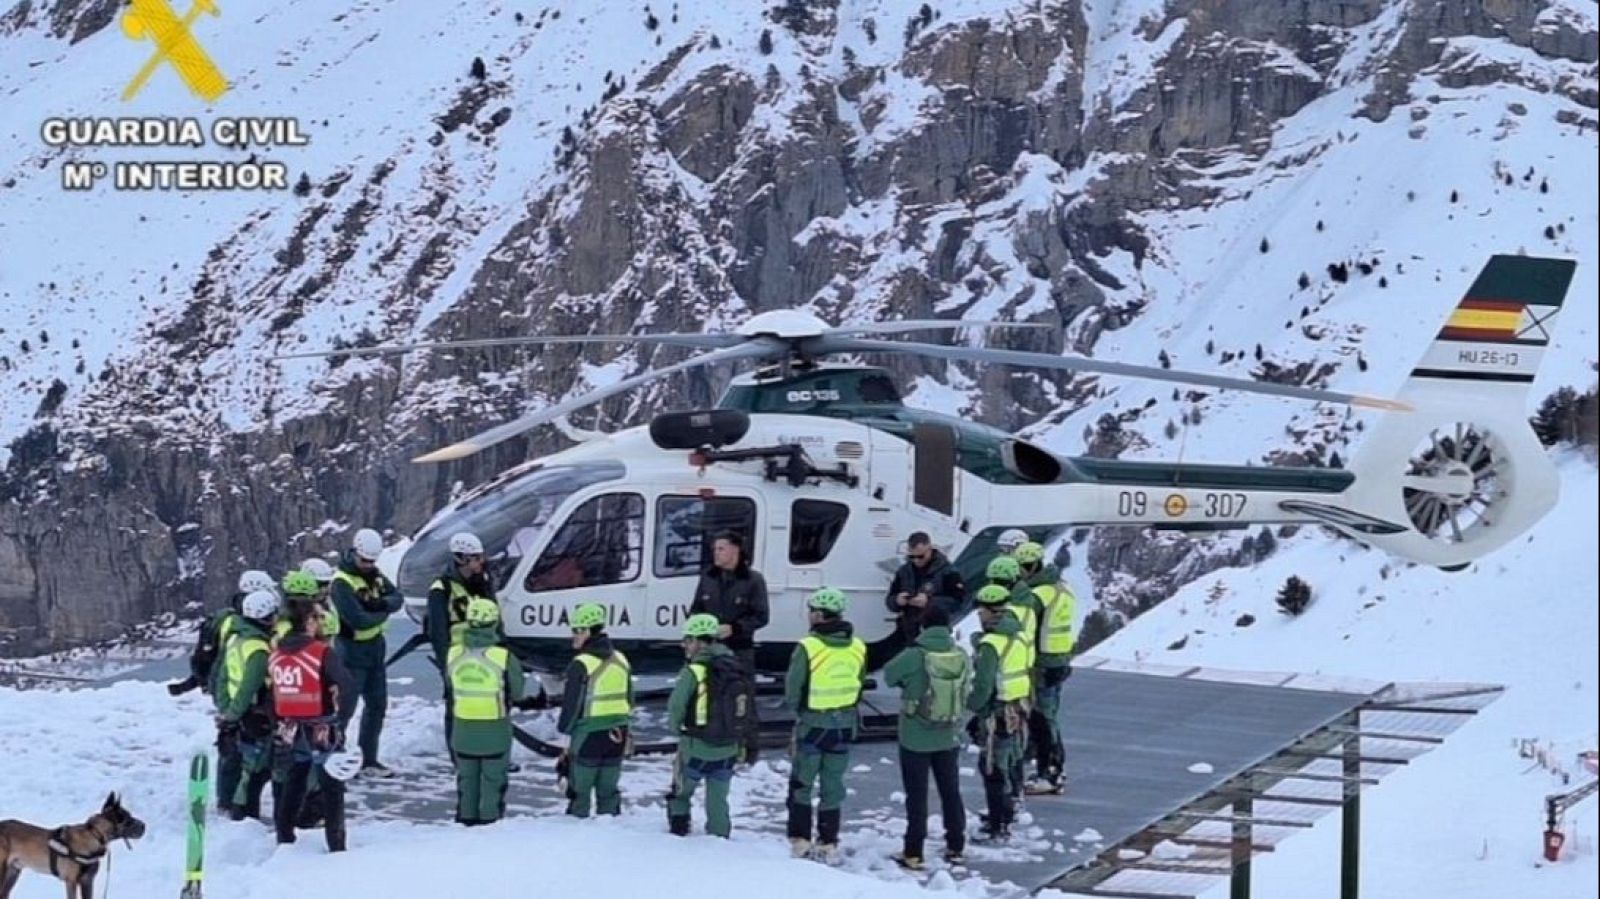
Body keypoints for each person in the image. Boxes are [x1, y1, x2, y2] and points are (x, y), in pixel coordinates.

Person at [883, 605, 969, 870]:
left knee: (917, 795)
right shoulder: (961, 654)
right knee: (951, 791)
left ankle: (913, 851)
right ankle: (956, 845)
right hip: (948, 734)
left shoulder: (914, 655)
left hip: (915, 735)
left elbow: (888, 676)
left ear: (923, 626)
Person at [783, 587, 866, 862]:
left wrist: (799, 710)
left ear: (818, 615)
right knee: (833, 785)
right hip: (844, 725)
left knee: (802, 783)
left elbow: (793, 688)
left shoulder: (809, 646)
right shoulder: (858, 646)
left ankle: (801, 838)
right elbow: (860, 682)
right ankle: (828, 840)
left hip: (813, 725)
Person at [267, 598, 353, 852]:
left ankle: (284, 836)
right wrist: (342, 718)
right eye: (316, 617)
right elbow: (347, 684)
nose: (320, 622)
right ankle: (336, 844)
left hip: (290, 726)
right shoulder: (320, 652)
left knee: (294, 780)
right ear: (308, 621)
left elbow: (273, 694)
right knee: (332, 785)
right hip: (321, 725)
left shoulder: (276, 653)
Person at [328, 528, 403, 778]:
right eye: (365, 561)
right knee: (344, 710)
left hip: (374, 651)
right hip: (350, 653)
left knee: (377, 706)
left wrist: (380, 605)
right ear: (355, 554)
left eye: (372, 561)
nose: (369, 565)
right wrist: (382, 612)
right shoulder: (341, 583)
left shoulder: (375, 575)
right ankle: (334, 758)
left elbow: (396, 597)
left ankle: (368, 759)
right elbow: (358, 620)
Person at [689, 532, 768, 764]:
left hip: (739, 650)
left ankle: (748, 749)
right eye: (715, 549)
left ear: (735, 550)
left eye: (721, 549)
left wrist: (735, 628)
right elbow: (696, 609)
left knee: (742, 698)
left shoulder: (753, 580)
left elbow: (761, 616)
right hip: (709, 650)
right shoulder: (708, 578)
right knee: (707, 696)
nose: (716, 553)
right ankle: (707, 743)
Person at [447, 597, 525, 826]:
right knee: (493, 782)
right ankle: (490, 825)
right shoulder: (503, 657)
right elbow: (518, 691)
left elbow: (450, 685)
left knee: (466, 781)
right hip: (494, 730)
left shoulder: (453, 654)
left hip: (462, 730)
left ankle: (465, 821)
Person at [665, 613, 744, 838]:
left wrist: (675, 729)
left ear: (699, 641)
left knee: (681, 792)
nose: (684, 645)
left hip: (696, 746)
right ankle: (720, 837)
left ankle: (678, 832)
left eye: (688, 640)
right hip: (728, 747)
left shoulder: (694, 671)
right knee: (718, 799)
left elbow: (676, 706)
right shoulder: (734, 666)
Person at [556, 603, 633, 818]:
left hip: (588, 733)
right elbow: (630, 697)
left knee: (580, 788)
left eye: (576, 630)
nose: (573, 636)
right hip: (618, 732)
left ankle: (577, 832)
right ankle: (610, 829)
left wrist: (564, 734)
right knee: (609, 788)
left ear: (587, 631)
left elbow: (572, 705)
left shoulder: (581, 664)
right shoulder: (621, 659)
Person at [968, 584, 1031, 842]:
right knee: (1011, 760)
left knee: (992, 767)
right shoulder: (1020, 636)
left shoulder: (991, 644)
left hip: (998, 712)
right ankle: (1010, 809)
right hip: (1019, 707)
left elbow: (983, 685)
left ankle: (998, 823)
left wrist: (973, 707)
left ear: (988, 611)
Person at [427, 532, 497, 762]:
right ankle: (458, 755)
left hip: (485, 654)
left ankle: (486, 750)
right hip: (457, 656)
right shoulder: (441, 589)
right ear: (461, 559)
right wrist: (444, 662)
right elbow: (438, 631)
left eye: (480, 557)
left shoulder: (483, 582)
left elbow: (495, 615)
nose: (481, 562)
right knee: (456, 707)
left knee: (488, 705)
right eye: (476, 558)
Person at [1015, 541, 1075, 795]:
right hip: (1059, 660)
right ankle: (1046, 764)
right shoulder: (1062, 589)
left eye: (1025, 567)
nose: (1023, 572)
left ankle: (1051, 771)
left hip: (1042, 664)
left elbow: (1023, 625)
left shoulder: (1039, 595)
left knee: (1043, 719)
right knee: (1046, 716)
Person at [216, 589, 279, 822]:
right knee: (254, 767)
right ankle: (244, 811)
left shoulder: (236, 637)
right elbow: (249, 687)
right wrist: (234, 714)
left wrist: (226, 709)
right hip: (253, 713)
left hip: (237, 711)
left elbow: (223, 675)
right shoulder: (259, 650)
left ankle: (231, 804)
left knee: (239, 761)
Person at [174, 570, 274, 699]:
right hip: (242, 694)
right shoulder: (241, 623)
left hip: (231, 690)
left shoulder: (229, 618)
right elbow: (224, 660)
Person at [884, 531, 965, 643]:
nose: (916, 560)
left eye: (920, 556)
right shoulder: (904, 571)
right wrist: (897, 600)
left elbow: (958, 602)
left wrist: (929, 601)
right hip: (908, 632)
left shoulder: (948, 571)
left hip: (935, 633)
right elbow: (889, 600)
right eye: (911, 557)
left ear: (930, 549)